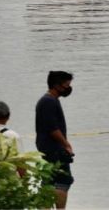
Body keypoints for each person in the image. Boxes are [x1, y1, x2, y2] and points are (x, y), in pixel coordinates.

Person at [35, 71, 75, 209]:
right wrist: (66, 144)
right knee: (63, 181)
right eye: (66, 85)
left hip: (51, 149)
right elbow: (52, 128)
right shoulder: (48, 101)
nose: (68, 88)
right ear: (56, 85)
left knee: (49, 181)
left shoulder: (51, 100)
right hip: (54, 150)